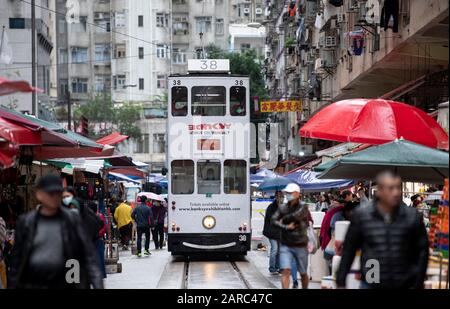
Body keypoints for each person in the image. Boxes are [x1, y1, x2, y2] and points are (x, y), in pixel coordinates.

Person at [336, 171, 429, 289]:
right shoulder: (362, 216)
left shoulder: (412, 216)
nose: (395, 192)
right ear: (379, 191)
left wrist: (418, 282)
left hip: (404, 282)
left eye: (398, 188)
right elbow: (349, 249)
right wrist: (341, 281)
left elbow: (422, 252)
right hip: (372, 280)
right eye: (390, 188)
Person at [9, 175, 103, 289]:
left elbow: (88, 255)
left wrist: (97, 284)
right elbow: (17, 261)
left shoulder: (72, 220)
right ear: (39, 194)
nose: (55, 197)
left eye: (58, 193)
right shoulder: (26, 223)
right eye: (50, 193)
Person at [272, 183, 312, 289]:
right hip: (286, 244)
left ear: (297, 194)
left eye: (290, 193)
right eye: (287, 193)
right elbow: (273, 220)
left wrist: (284, 219)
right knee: (285, 270)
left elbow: (297, 215)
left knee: (303, 273)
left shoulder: (303, 206)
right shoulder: (283, 207)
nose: (288, 195)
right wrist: (285, 227)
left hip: (301, 244)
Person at [262, 191, 283, 274]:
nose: (281, 198)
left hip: (280, 232)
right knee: (275, 249)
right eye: (279, 196)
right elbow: (271, 220)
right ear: (276, 197)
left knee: (280, 250)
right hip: (272, 232)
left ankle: (278, 267)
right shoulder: (271, 207)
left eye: (282, 196)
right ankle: (272, 267)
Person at [87, 201, 107, 279]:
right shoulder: (88, 217)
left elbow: (103, 227)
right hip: (92, 240)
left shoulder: (99, 216)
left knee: (100, 258)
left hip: (98, 239)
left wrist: (97, 234)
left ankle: (101, 275)